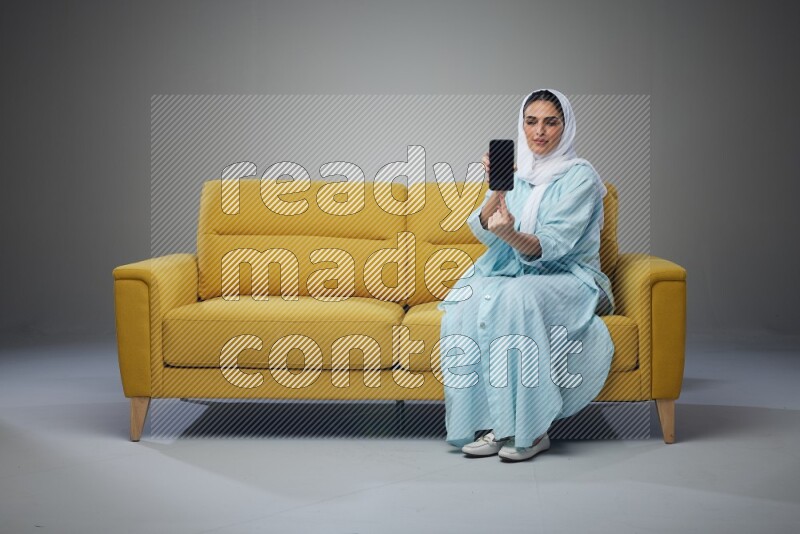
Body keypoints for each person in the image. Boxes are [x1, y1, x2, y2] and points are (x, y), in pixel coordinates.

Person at [437, 89, 616, 462]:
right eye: (531, 122)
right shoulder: (519, 170)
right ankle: (496, 424)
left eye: (551, 122)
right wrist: (498, 188)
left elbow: (555, 243)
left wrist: (511, 235)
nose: (539, 132)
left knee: (517, 297)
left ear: (565, 128)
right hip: (516, 272)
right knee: (468, 299)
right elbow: (485, 227)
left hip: (569, 278)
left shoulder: (580, 176)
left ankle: (532, 430)